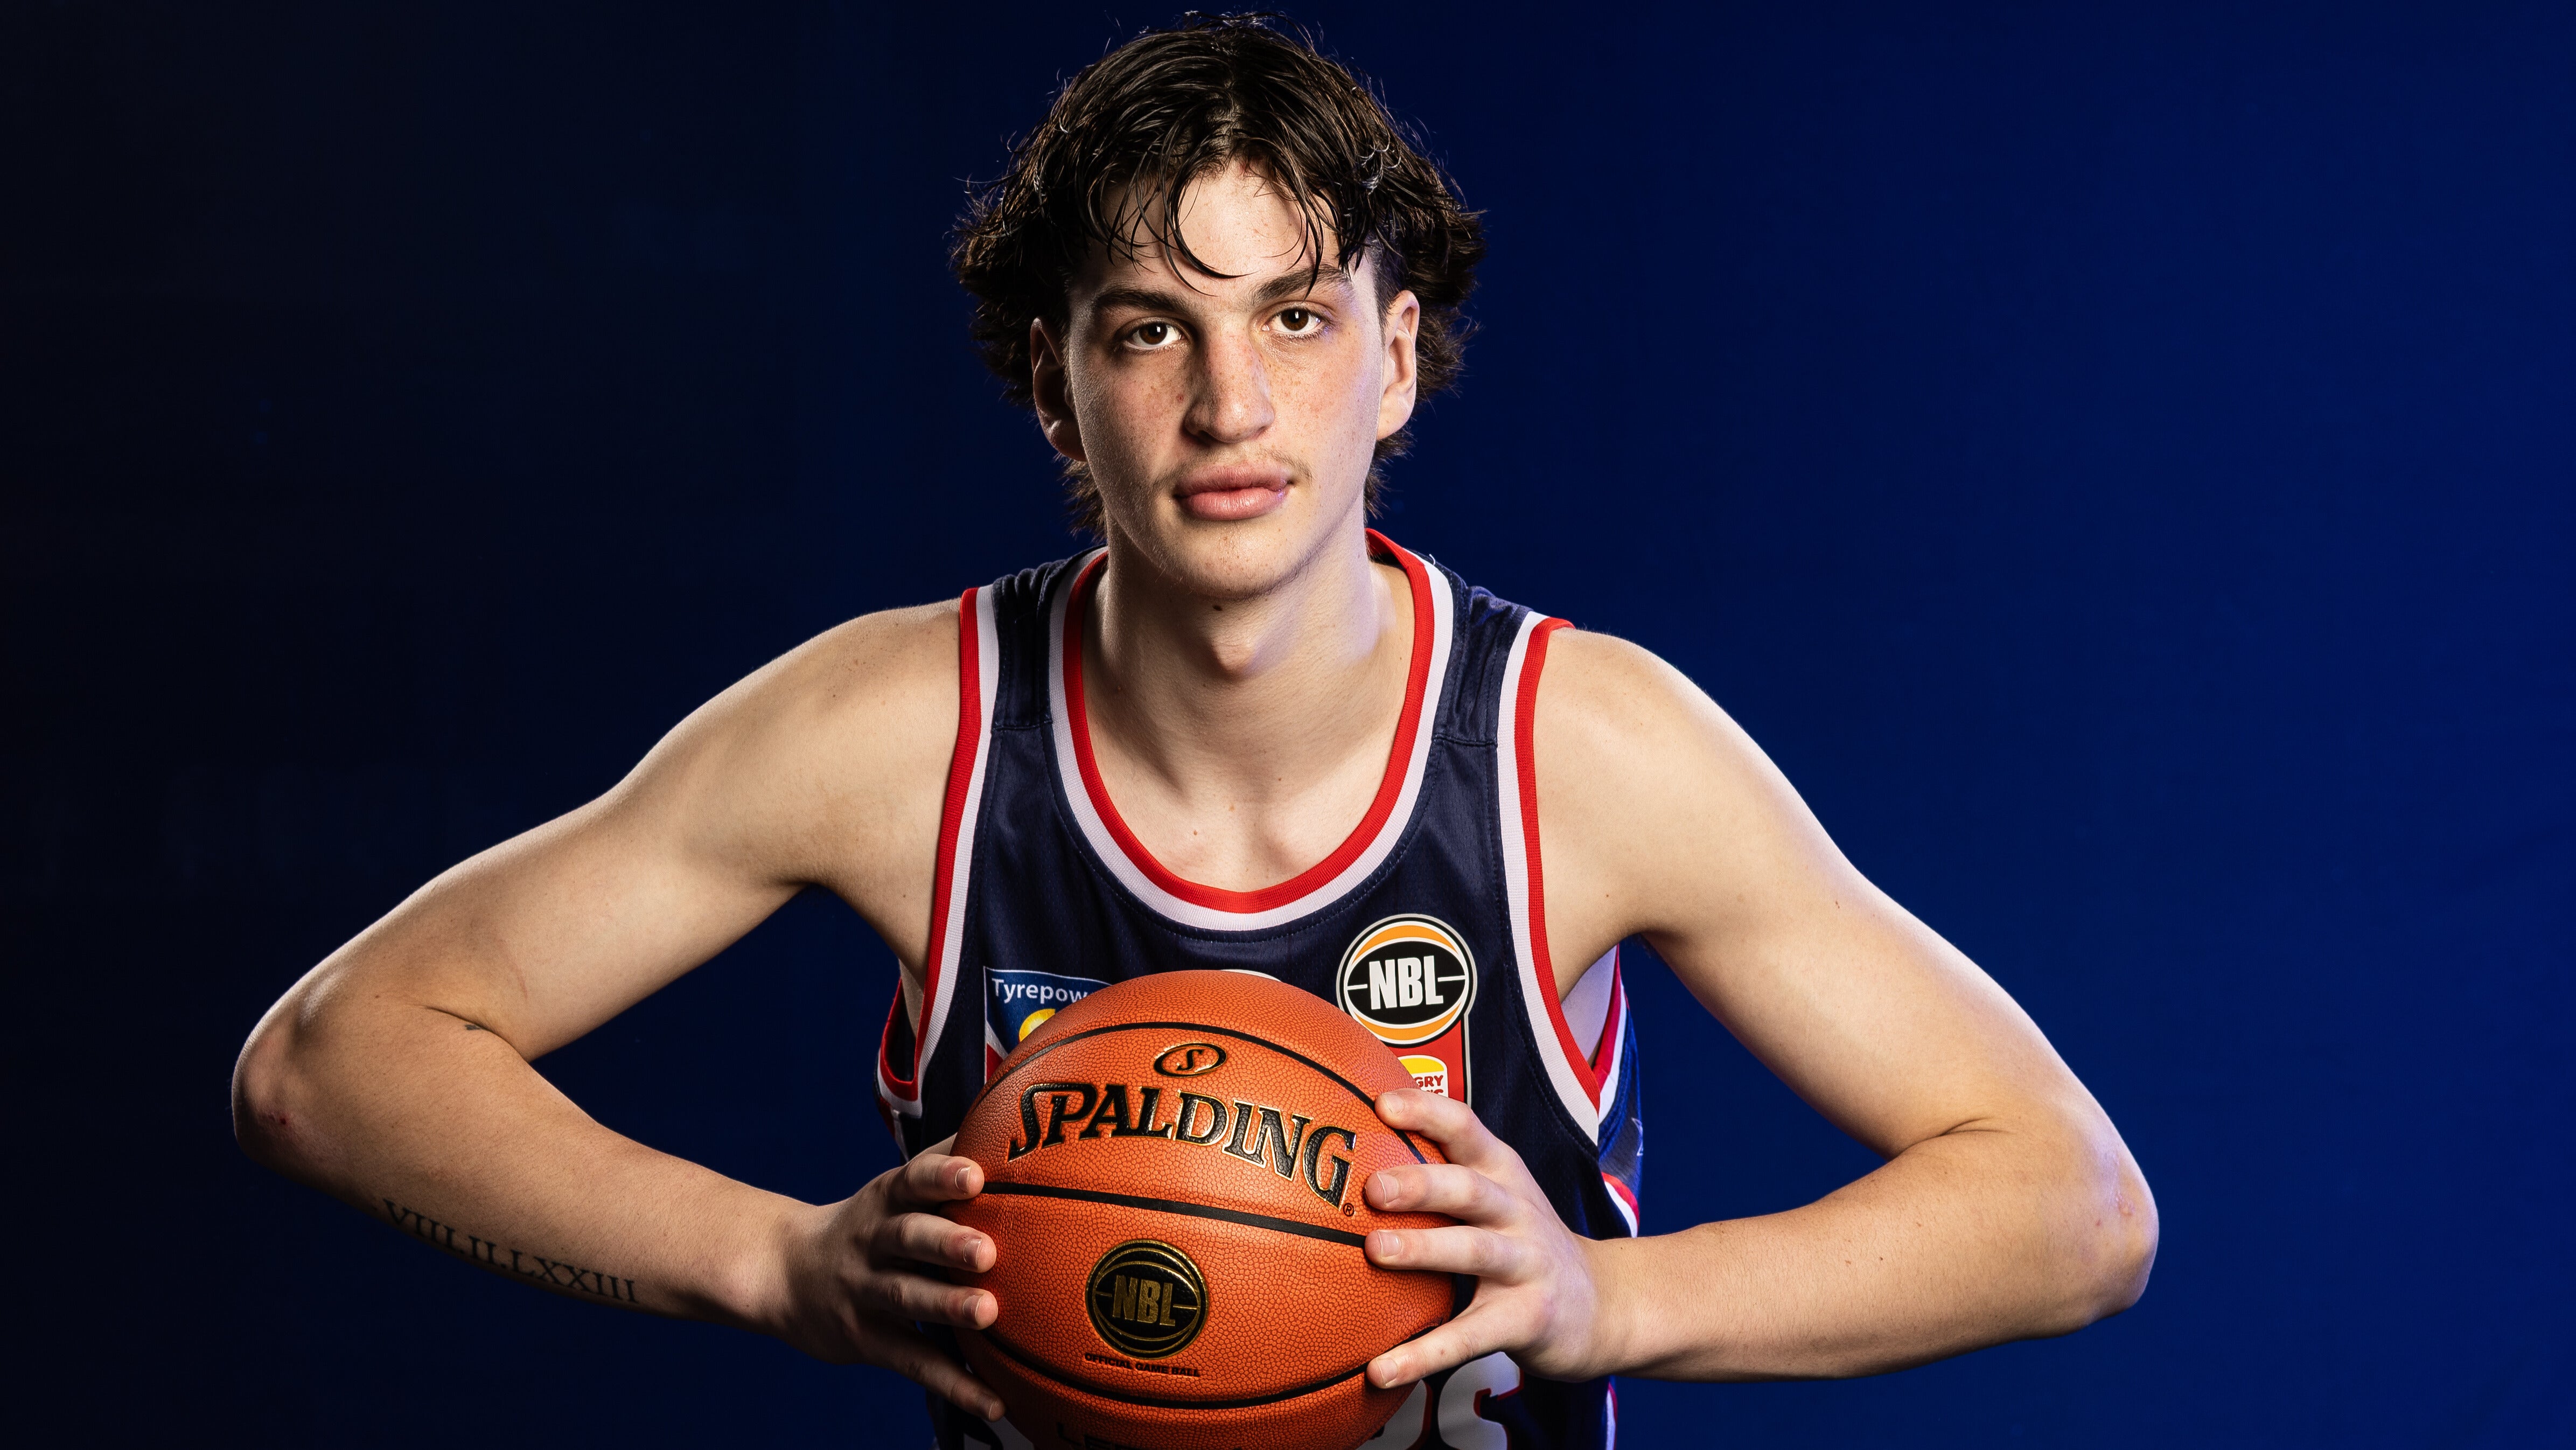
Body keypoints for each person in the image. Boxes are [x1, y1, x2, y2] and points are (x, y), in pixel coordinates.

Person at [234, 16, 2155, 1449]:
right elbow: (330, 1066)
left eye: (1297, 317)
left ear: (1397, 360)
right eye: (1151, 326)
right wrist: (775, 1263)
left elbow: (2072, 1206)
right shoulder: (906, 732)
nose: (1232, 400)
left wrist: (1609, 1294)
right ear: (1053, 382)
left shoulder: (1576, 750)